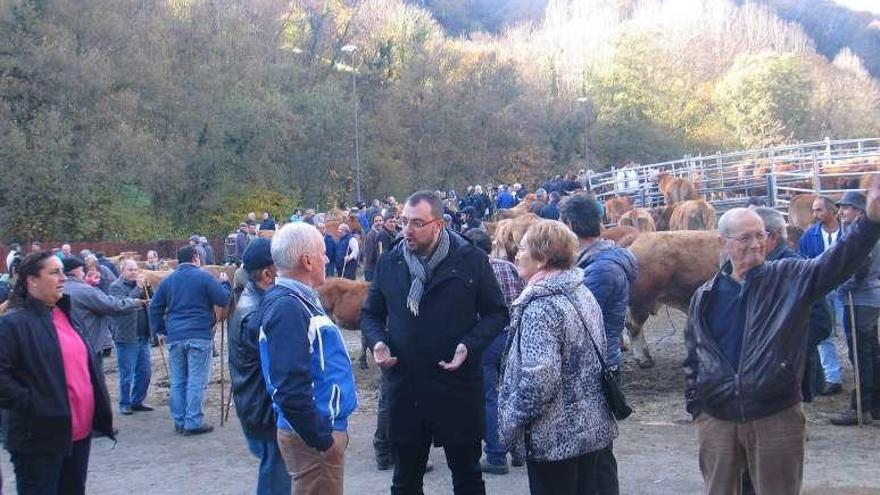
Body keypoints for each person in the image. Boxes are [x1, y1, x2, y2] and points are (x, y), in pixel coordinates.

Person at [683, 180, 880, 495]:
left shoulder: (790, 277)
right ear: (723, 242)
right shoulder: (704, 296)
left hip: (774, 415)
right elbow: (693, 355)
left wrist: (870, 223)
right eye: (745, 237)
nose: (756, 244)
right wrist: (698, 407)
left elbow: (838, 261)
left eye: (760, 235)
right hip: (717, 418)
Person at [361, 190, 509, 494]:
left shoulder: (471, 260)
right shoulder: (390, 263)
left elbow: (496, 313)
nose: (407, 230)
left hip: (455, 385)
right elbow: (370, 315)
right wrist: (378, 342)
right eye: (403, 222)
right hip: (406, 387)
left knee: (467, 477)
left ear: (438, 224)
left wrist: (470, 345)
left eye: (417, 223)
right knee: (405, 481)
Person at [497, 220, 617, 495]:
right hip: (591, 429)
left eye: (524, 248)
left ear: (542, 259)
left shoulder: (541, 307)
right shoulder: (581, 292)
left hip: (555, 440)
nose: (517, 253)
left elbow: (540, 380)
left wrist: (509, 420)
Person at [0, 252, 116, 495]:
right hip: (39, 437)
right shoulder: (13, 323)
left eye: (62, 271)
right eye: (54, 272)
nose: (63, 278)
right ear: (31, 280)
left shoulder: (66, 314)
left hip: (78, 433)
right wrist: (36, 405)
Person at [260, 223, 357, 495]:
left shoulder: (295, 301)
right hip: (313, 438)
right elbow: (289, 385)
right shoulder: (288, 308)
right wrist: (320, 437)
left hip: (315, 432)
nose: (327, 259)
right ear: (306, 260)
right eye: (323, 253)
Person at [559, 194, 638, 495]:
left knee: (596, 452)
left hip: (595, 365)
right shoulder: (596, 261)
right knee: (594, 449)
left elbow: (575, 316)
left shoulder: (601, 269)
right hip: (597, 359)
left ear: (568, 224)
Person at [228, 238, 291, 494]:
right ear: (267, 274)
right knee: (276, 481)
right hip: (265, 413)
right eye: (283, 268)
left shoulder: (255, 303)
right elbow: (281, 369)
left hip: (258, 408)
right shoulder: (257, 315)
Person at [149, 245, 231, 436]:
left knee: (178, 380)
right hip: (199, 335)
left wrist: (161, 329)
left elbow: (154, 307)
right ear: (196, 258)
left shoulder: (169, 281)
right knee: (196, 380)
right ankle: (193, 421)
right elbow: (223, 299)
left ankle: (179, 420)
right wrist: (225, 283)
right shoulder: (204, 277)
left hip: (175, 336)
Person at [463, 229, 525, 476]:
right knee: (512, 390)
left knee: (489, 396)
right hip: (512, 335)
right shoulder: (508, 267)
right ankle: (519, 449)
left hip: (487, 340)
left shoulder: (470, 272)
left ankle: (496, 455)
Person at [830, 191, 880, 425]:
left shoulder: (860, 236)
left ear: (860, 211)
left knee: (860, 355)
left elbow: (861, 265)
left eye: (846, 208)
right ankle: (874, 406)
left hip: (858, 299)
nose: (840, 212)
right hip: (870, 297)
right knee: (871, 352)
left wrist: (841, 285)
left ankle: (860, 408)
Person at [799, 195, 844, 395]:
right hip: (821, 288)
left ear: (833, 211)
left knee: (850, 330)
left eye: (819, 210)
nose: (815, 214)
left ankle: (861, 375)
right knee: (825, 332)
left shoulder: (847, 232)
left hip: (844, 288)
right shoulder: (810, 235)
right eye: (814, 210)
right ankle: (833, 378)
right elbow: (804, 260)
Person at [63, 256, 143, 359]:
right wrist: (134, 301)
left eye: (135, 270)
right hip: (90, 341)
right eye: (83, 270)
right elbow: (111, 305)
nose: (84, 273)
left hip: (69, 342)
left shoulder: (57, 289)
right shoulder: (86, 290)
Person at [109, 260, 153, 415]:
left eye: (136, 269)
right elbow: (122, 305)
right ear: (122, 271)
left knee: (145, 372)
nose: (134, 272)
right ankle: (125, 403)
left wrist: (147, 288)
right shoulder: (115, 287)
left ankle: (137, 401)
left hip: (143, 334)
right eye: (130, 270)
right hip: (127, 336)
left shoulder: (140, 285)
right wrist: (138, 289)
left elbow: (150, 299)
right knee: (127, 373)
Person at [362, 214, 385, 282]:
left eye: (380, 221)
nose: (379, 223)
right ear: (373, 223)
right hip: (372, 269)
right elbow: (370, 255)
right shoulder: (371, 235)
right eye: (376, 221)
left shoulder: (382, 233)